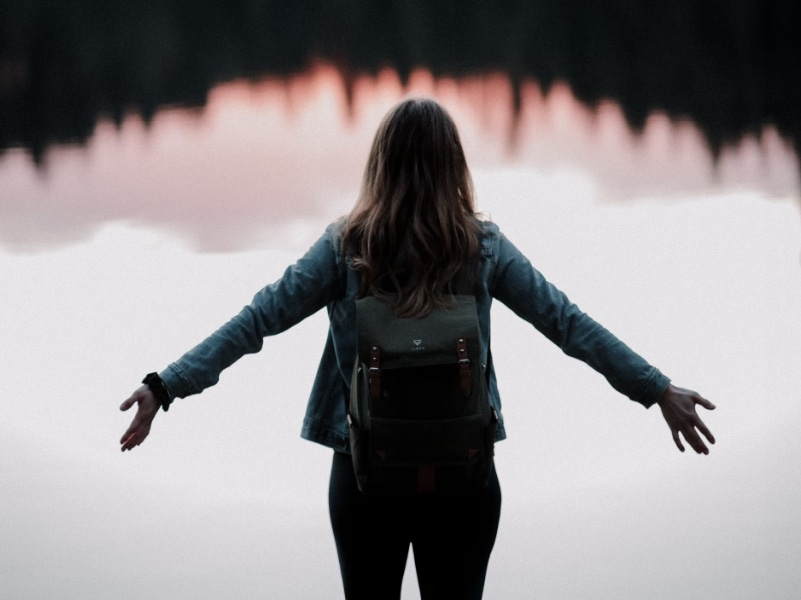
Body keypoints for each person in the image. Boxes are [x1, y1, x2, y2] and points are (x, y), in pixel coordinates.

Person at [119, 98, 715, 599]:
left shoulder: (345, 247)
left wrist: (165, 385)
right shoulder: (483, 248)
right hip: (463, 475)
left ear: (379, 164)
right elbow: (567, 324)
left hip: (365, 476)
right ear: (453, 165)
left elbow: (256, 322)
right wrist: (656, 389)